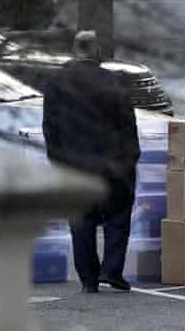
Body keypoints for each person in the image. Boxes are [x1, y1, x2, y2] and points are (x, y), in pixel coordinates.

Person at [42, 31, 141, 294]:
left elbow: (50, 128)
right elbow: (128, 124)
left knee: (81, 220)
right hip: (113, 163)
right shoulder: (115, 81)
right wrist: (131, 159)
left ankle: (88, 279)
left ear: (74, 50)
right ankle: (112, 269)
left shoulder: (56, 82)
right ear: (97, 51)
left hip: (75, 163)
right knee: (118, 215)